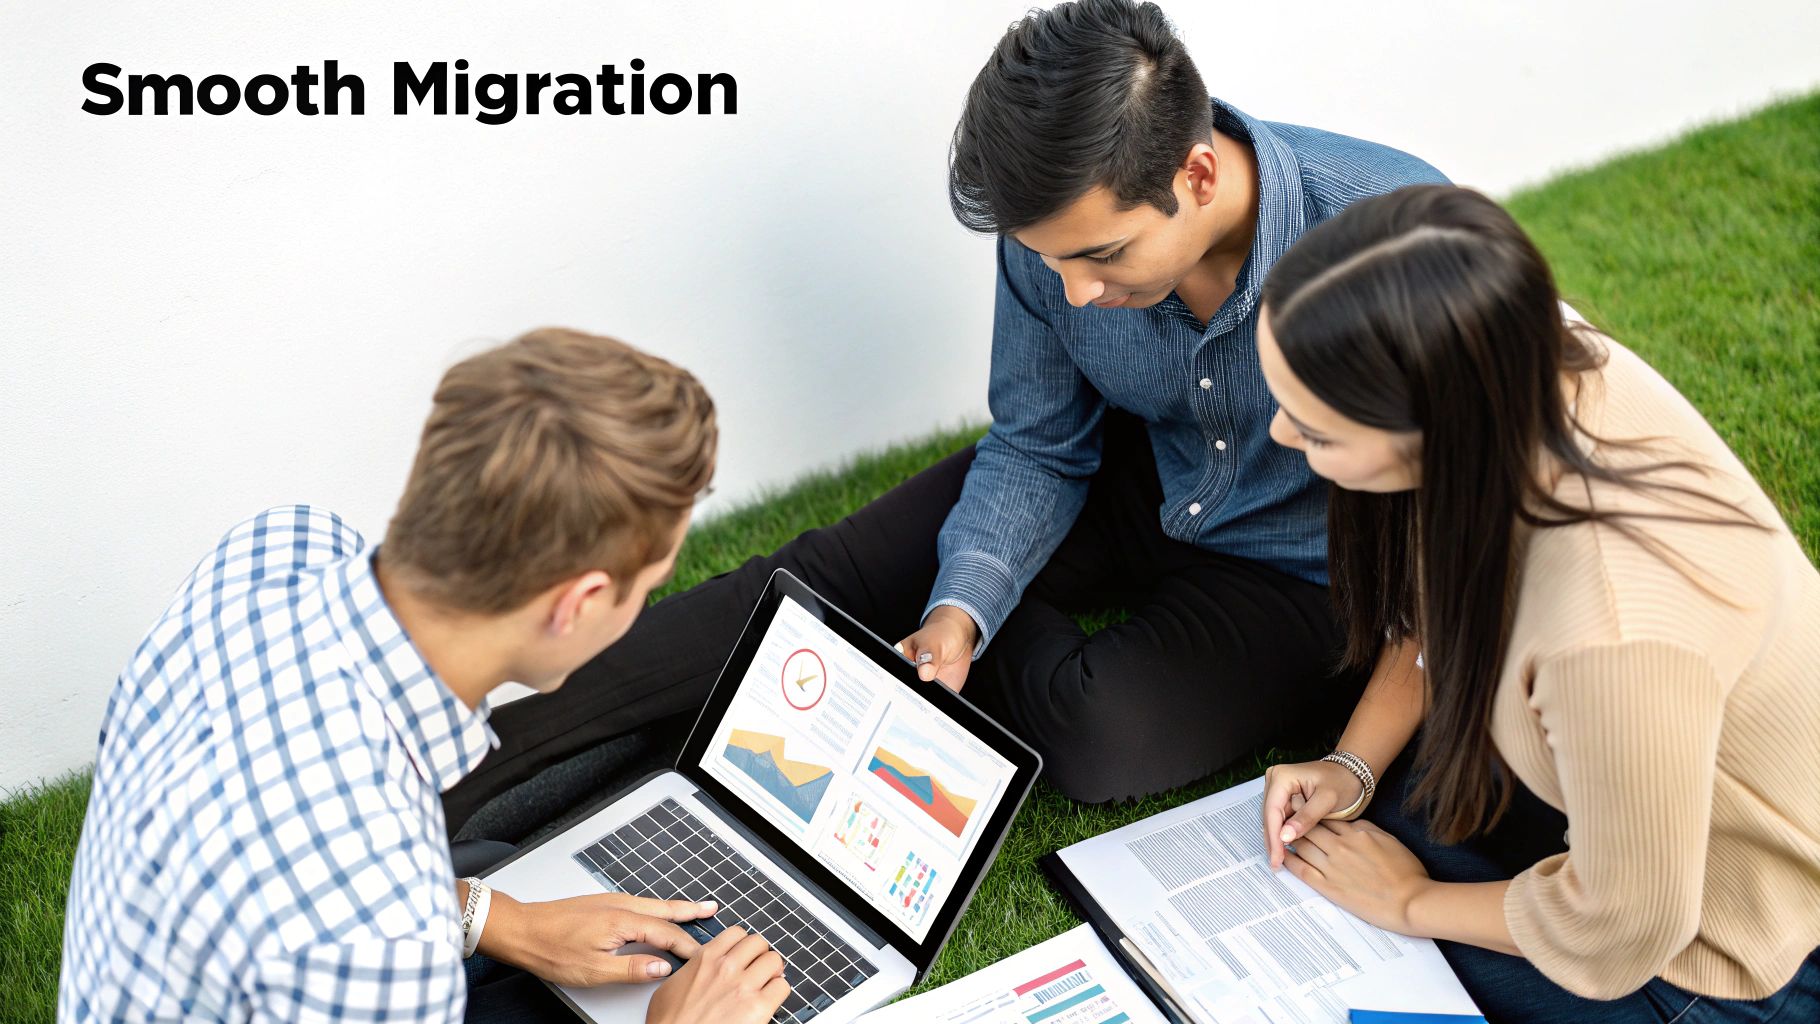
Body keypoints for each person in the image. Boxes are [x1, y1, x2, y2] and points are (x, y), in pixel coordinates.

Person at [442, 0, 1450, 832]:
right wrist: (959, 604)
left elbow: (1453, 539)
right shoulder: (1053, 232)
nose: (1075, 291)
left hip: (1303, 562)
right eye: (1049, 259)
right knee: (818, 577)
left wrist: (1357, 762)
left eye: (1100, 257)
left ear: (1191, 173)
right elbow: (1040, 441)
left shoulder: (1394, 236)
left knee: (1095, 739)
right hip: (1128, 469)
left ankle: (861, 658)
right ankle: (475, 764)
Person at [59, 329, 790, 1023]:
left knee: (498, 872)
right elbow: (355, 908)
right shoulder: (386, 949)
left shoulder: (276, 548)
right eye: (647, 587)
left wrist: (495, 917)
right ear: (579, 604)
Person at [1253, 185, 1820, 1022]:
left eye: (1318, 430)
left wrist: (1410, 903)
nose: (1279, 435)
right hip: (1639, 819)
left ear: (1437, 427)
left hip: (1731, 944)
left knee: (1366, 922)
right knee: (1388, 829)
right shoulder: (1516, 352)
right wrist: (1353, 765)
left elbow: (1624, 926)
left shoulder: (1610, 634)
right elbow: (1439, 603)